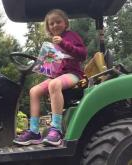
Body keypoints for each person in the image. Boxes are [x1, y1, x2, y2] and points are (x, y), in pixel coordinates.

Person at [13, 9, 87, 146]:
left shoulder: (71, 36)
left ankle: (56, 130)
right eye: (51, 24)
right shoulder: (52, 44)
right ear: (48, 28)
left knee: (54, 85)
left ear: (65, 23)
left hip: (74, 74)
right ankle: (34, 132)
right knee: (34, 91)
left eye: (58, 22)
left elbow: (82, 54)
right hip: (58, 77)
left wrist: (63, 43)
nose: (55, 25)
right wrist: (45, 67)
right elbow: (54, 66)